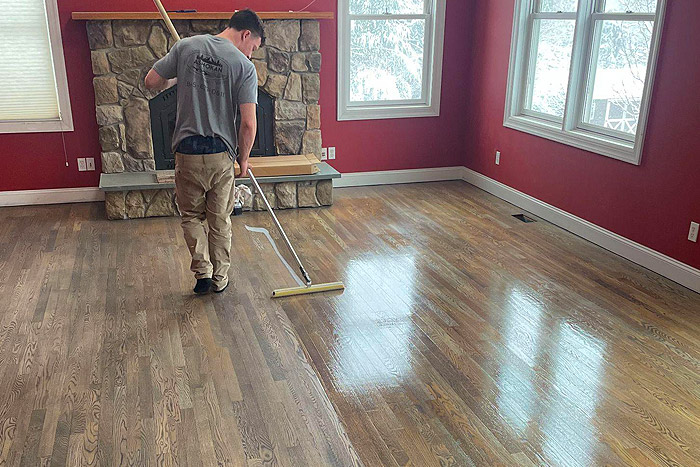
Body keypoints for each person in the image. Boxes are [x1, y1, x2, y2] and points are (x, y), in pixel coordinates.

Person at [144, 9, 263, 295]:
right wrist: (244, 158)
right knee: (219, 219)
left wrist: (176, 80)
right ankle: (220, 279)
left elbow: (151, 81)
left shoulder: (186, 46)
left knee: (191, 218)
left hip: (186, 151)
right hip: (220, 153)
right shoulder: (243, 67)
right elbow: (248, 123)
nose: (251, 54)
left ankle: (203, 275)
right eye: (254, 48)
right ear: (246, 34)